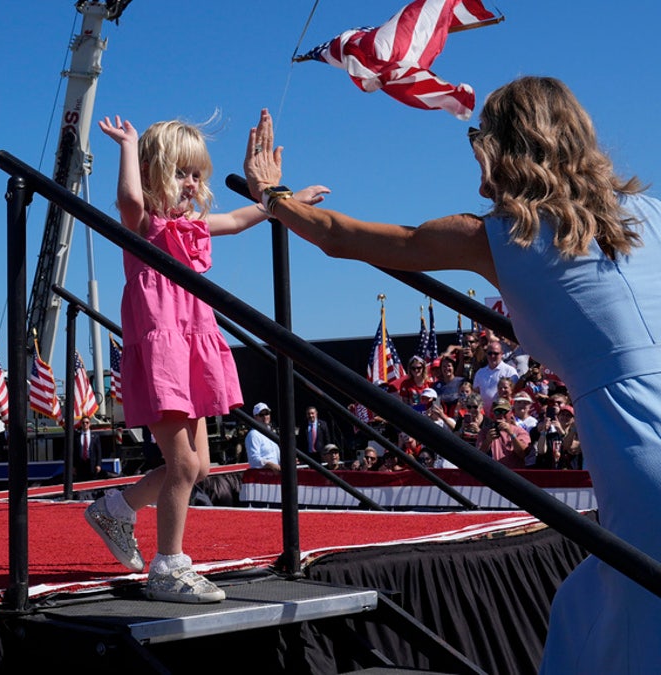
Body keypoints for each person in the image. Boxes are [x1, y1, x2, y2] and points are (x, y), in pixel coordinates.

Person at [246, 76, 661, 672]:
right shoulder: (650, 213)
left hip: (635, 442)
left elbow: (342, 237)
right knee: (590, 608)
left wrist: (272, 194)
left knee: (621, 627)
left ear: (502, 149)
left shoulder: (496, 236)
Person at [84, 113, 326, 604]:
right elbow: (129, 199)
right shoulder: (145, 224)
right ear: (155, 173)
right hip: (161, 350)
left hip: (191, 347)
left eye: (197, 174)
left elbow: (237, 220)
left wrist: (282, 202)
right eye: (180, 172)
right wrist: (128, 146)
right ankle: (168, 566)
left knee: (202, 468)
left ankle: (117, 507)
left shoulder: (193, 226)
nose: (191, 183)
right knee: (181, 465)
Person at [244, 402, 280, 472]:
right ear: (255, 417)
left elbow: (276, 455)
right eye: (261, 415)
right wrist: (271, 465)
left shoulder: (272, 432)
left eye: (267, 413)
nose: (265, 417)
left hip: (276, 475)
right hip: (263, 477)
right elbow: (253, 459)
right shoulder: (253, 435)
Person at [73, 416, 104, 481]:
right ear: (81, 424)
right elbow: (74, 453)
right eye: (83, 422)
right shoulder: (76, 437)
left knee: (92, 483)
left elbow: (99, 452)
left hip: (92, 464)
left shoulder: (95, 436)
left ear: (90, 424)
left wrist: (98, 464)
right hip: (80, 465)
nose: (85, 424)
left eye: (87, 422)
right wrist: (73, 466)